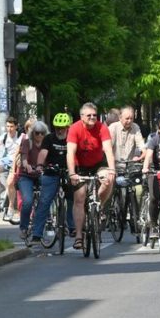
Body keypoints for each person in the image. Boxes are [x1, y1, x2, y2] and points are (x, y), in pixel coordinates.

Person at [66, 103, 117, 251]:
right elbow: (70, 152)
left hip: (97, 164)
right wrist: (72, 173)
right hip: (80, 166)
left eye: (94, 115)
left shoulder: (102, 128)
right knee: (80, 197)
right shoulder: (74, 128)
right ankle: (79, 236)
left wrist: (112, 170)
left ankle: (98, 205)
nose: (92, 118)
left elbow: (108, 150)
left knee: (107, 179)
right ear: (82, 116)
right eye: (89, 115)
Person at [32, 113, 75, 244]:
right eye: (57, 128)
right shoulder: (49, 138)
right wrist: (40, 165)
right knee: (45, 201)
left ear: (67, 127)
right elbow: (43, 153)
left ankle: (72, 227)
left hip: (69, 172)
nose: (59, 130)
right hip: (51, 172)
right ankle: (37, 234)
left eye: (62, 128)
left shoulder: (72, 138)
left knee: (73, 199)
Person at [16, 121, 50, 242]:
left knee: (48, 195)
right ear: (32, 133)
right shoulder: (27, 142)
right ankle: (24, 228)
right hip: (26, 175)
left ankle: (50, 221)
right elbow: (24, 157)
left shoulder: (47, 143)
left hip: (41, 174)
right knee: (28, 201)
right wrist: (27, 165)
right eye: (37, 133)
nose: (40, 135)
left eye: (42, 133)